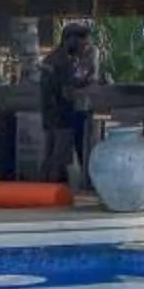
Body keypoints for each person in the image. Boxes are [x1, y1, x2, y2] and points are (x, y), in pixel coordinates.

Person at [36, 22, 96, 184]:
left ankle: (42, 191)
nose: (84, 47)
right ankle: (51, 192)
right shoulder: (64, 62)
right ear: (71, 40)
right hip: (62, 115)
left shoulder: (52, 58)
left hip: (49, 114)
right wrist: (87, 76)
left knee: (49, 156)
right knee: (59, 158)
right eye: (82, 43)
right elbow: (68, 91)